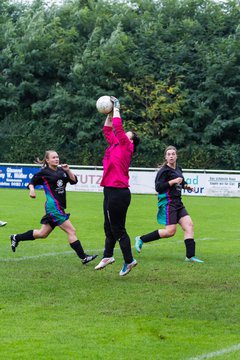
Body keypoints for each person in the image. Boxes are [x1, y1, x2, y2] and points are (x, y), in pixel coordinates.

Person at [10, 150, 98, 265]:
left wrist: (68, 170)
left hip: (59, 207)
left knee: (42, 234)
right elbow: (31, 182)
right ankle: (84, 257)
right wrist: (32, 190)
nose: (56, 159)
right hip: (53, 207)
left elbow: (74, 181)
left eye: (57, 157)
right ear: (47, 160)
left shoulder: (62, 170)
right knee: (71, 230)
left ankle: (16, 237)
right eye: (53, 157)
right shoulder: (44, 172)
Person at [95, 96, 140, 276]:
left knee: (118, 228)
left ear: (131, 143)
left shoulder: (126, 147)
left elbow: (118, 128)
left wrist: (117, 108)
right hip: (109, 190)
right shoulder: (115, 144)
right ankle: (108, 255)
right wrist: (109, 112)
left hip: (119, 192)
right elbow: (108, 130)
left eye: (127, 136)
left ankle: (129, 260)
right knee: (108, 226)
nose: (122, 136)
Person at [135, 145, 204, 263]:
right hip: (169, 203)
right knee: (170, 232)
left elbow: (181, 182)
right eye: (169, 154)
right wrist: (172, 181)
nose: (171, 156)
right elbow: (158, 187)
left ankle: (190, 256)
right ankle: (141, 239)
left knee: (189, 226)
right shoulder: (163, 171)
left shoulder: (178, 169)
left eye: (173, 154)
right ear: (166, 157)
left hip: (178, 203)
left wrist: (186, 186)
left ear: (176, 156)